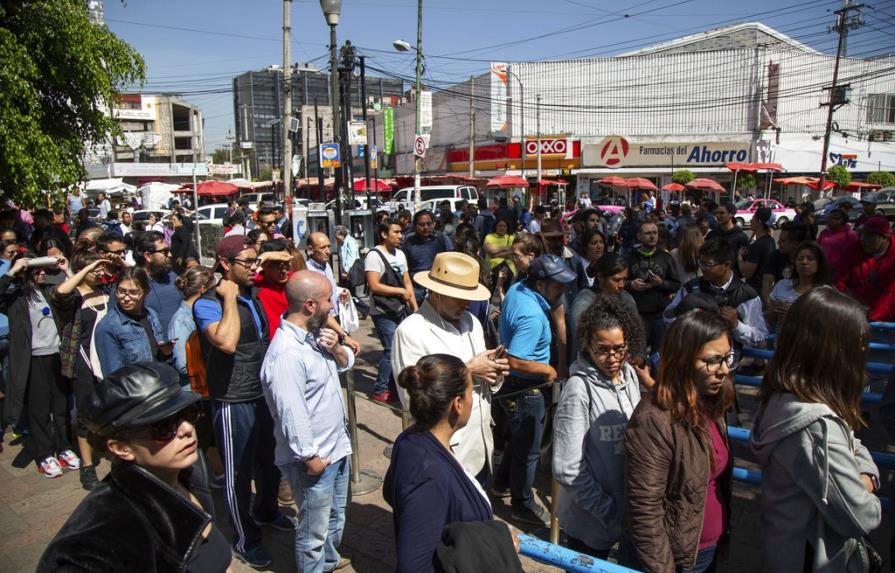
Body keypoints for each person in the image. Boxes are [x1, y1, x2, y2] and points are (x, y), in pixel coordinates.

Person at [37, 362, 232, 573]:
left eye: (189, 414)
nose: (186, 429)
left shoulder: (187, 472)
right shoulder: (109, 533)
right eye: (164, 427)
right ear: (121, 447)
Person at [750, 287, 882, 572]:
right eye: (858, 341)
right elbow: (862, 515)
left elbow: (850, 440)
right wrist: (868, 478)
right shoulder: (815, 426)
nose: (863, 349)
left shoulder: (785, 394)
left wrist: (857, 463)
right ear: (832, 347)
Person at [193, 235, 290, 568]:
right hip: (232, 399)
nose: (255, 268)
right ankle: (245, 538)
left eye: (256, 261)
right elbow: (226, 342)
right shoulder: (206, 303)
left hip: (262, 394)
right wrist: (229, 298)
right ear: (225, 264)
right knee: (238, 474)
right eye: (248, 262)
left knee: (271, 462)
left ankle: (266, 510)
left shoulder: (255, 295)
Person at [385, 354, 519, 573]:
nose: (472, 399)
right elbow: (414, 566)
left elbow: (390, 492)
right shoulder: (429, 474)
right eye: (471, 392)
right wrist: (498, 546)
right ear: (458, 403)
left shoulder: (409, 439)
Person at [625, 310, 734, 573]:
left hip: (707, 548)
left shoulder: (710, 402)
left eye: (727, 357)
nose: (724, 369)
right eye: (713, 360)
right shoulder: (654, 420)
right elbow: (644, 509)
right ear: (684, 360)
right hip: (676, 560)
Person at [260, 272, 354, 573]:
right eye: (328, 300)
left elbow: (347, 362)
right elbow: (291, 411)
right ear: (311, 305)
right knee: (313, 530)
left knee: (335, 517)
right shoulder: (286, 354)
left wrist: (337, 349)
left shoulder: (315, 334)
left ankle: (329, 562)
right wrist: (310, 456)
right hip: (315, 458)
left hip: (337, 447)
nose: (333, 307)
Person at [392, 252, 509, 478]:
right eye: (458, 297)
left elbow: (483, 379)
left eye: (469, 297)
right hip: (445, 454)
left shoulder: (471, 322)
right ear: (436, 292)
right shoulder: (410, 331)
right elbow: (413, 399)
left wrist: (493, 372)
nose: (466, 304)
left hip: (480, 445)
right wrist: (469, 371)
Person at [554, 294, 649, 562]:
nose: (612, 358)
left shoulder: (630, 375)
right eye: (602, 350)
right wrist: (609, 512)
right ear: (587, 344)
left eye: (619, 349)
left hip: (625, 516)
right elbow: (567, 468)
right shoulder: (578, 390)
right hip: (590, 523)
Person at [494, 254, 575, 526]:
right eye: (558, 285)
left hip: (515, 387)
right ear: (540, 284)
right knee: (528, 450)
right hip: (527, 388)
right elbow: (516, 359)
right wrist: (547, 370)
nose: (562, 290)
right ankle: (522, 505)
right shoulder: (532, 316)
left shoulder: (519, 287)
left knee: (518, 440)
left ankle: (502, 482)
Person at [0, 252, 79, 478]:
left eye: (44, 269)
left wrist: (66, 270)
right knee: (39, 410)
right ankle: (45, 454)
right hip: (33, 361)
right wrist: (12, 271)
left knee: (61, 406)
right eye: (37, 270)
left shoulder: (50, 291)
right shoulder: (15, 297)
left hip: (56, 356)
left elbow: (72, 296)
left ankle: (64, 448)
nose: (43, 273)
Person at [48, 249, 113, 490]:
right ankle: (87, 466)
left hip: (106, 360)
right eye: (94, 269)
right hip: (83, 363)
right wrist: (79, 270)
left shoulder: (106, 292)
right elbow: (59, 293)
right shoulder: (74, 297)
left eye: (99, 269)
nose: (98, 272)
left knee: (110, 411)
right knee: (85, 415)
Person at [665, 239, 768, 349]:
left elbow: (760, 337)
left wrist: (736, 325)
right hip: (693, 356)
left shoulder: (747, 295)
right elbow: (666, 318)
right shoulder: (690, 288)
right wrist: (681, 312)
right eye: (701, 263)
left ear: (727, 265)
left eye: (708, 264)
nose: (702, 268)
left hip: (728, 362)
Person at [365, 222, 417, 403]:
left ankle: (394, 388)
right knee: (390, 349)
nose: (400, 235)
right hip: (382, 310)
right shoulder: (374, 255)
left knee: (400, 348)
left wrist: (415, 308)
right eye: (395, 232)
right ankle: (380, 390)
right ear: (384, 234)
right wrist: (400, 292)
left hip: (400, 308)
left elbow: (407, 282)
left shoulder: (401, 254)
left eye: (401, 232)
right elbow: (374, 285)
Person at [95, 266, 173, 373]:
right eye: (121, 291)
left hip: (158, 384)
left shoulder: (151, 315)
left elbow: (156, 358)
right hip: (133, 388)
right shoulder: (108, 327)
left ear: (146, 292)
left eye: (133, 293)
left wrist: (165, 353)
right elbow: (113, 375)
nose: (126, 298)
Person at [625, 221, 681, 354]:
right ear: (639, 236)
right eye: (648, 233)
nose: (652, 236)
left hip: (659, 316)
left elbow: (677, 285)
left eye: (655, 233)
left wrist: (661, 283)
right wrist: (631, 284)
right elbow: (619, 283)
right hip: (637, 314)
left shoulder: (666, 257)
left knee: (660, 357)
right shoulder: (629, 257)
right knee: (637, 356)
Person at [570, 253, 638, 357]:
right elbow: (581, 340)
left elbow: (636, 333)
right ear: (601, 277)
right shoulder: (584, 301)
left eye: (624, 279)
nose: (621, 285)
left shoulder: (626, 298)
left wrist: (640, 357)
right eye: (616, 280)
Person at [306, 232, 360, 354]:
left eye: (328, 246)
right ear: (310, 249)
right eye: (322, 247)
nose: (327, 251)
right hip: (323, 323)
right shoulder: (308, 271)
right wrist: (343, 335)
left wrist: (339, 292)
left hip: (336, 317)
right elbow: (319, 308)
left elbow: (331, 288)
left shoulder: (327, 266)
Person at [835, 215, 895, 321]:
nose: (863, 239)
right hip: (855, 318)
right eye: (861, 234)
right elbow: (839, 284)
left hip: (889, 323)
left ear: (885, 237)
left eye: (869, 236)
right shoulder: (852, 251)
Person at [169, 265, 215, 386]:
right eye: (214, 289)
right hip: (196, 391)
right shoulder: (181, 322)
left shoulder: (202, 314)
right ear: (204, 289)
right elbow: (182, 364)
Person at [768, 241, 831, 328]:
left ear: (819, 263)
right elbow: (770, 321)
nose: (804, 262)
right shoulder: (782, 285)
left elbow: (825, 326)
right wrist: (775, 310)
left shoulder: (825, 294)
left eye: (810, 258)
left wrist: (794, 315)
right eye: (800, 258)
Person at [135, 230, 183, 333]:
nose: (170, 255)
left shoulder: (172, 277)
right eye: (164, 252)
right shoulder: (130, 283)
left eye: (169, 250)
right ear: (148, 256)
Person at [403, 210, 452, 306]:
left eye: (428, 224)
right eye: (421, 224)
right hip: (416, 291)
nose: (425, 227)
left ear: (433, 224)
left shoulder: (441, 239)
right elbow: (405, 268)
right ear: (415, 226)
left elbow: (450, 261)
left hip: (437, 290)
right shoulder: (409, 241)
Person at [254, 240, 296, 339]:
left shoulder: (296, 281)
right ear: (264, 265)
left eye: (286, 263)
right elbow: (247, 268)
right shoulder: (255, 286)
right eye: (276, 264)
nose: (283, 269)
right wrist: (265, 256)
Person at [761, 222, 811, 307]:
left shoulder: (809, 260)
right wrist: (770, 306)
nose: (778, 242)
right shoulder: (776, 255)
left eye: (782, 241)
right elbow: (767, 282)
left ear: (795, 243)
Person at [738, 207, 776, 294]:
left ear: (759, 221)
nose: (751, 220)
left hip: (756, 291)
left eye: (753, 217)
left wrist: (739, 256)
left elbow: (746, 273)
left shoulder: (758, 245)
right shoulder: (770, 241)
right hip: (765, 289)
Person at [816, 208, 858, 272]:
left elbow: (854, 255)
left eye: (831, 218)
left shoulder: (850, 235)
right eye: (828, 217)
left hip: (841, 270)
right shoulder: (824, 232)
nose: (828, 220)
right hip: (824, 269)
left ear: (840, 220)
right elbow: (818, 248)